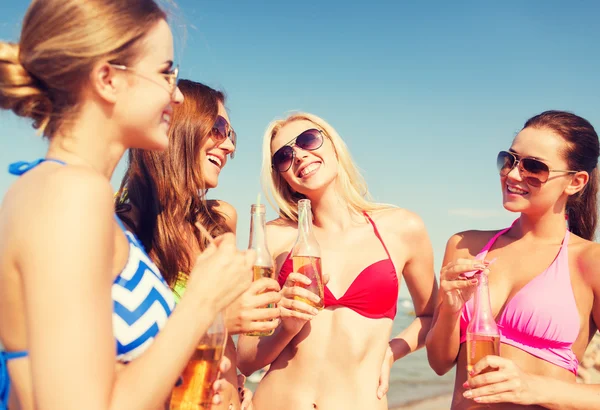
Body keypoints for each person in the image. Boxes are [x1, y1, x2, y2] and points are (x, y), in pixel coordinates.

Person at [0, 1, 253, 409]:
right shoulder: (71, 194)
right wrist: (202, 303)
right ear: (107, 79)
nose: (177, 92)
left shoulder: (66, 190)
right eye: (165, 72)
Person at [236, 112, 438, 410]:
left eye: (308, 140)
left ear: (334, 146)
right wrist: (286, 329)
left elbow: (431, 316)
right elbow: (247, 358)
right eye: (284, 156)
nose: (300, 155)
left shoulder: (402, 228)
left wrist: (392, 352)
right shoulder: (274, 237)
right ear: (282, 176)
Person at [116, 79, 281, 410]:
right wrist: (218, 317)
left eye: (230, 136)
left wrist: (236, 390)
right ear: (179, 124)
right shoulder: (120, 226)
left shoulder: (217, 222)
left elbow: (228, 351)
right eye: (219, 128)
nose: (230, 147)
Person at [426, 110, 600, 409]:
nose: (513, 174)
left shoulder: (589, 261)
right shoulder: (465, 245)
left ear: (575, 182)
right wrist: (451, 311)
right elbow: (440, 363)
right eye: (510, 160)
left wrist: (537, 388)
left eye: (534, 167)